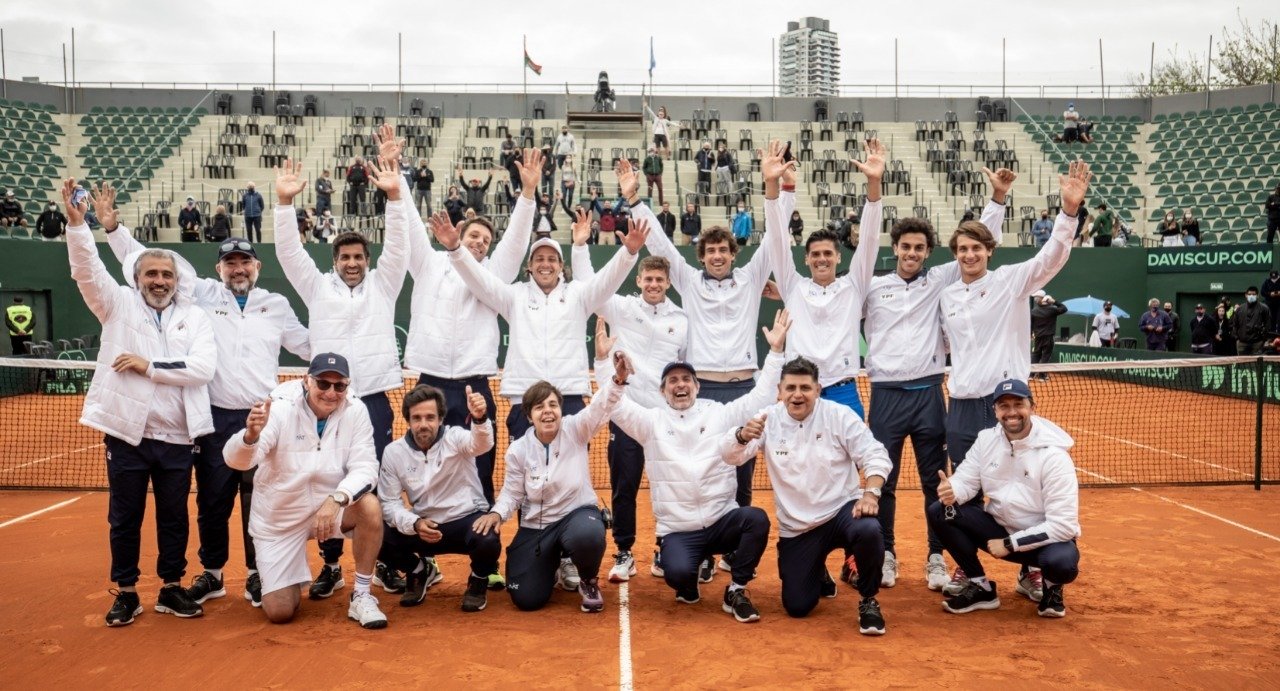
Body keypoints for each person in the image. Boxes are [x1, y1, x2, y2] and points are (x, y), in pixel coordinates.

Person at [104, 185, 311, 609]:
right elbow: (147, 260)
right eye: (230, 262)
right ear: (218, 269)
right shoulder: (200, 295)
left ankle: (258, 575)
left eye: (245, 262)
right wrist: (113, 229)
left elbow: (308, 346)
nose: (238, 268)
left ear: (257, 266)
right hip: (214, 421)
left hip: (262, 419)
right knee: (213, 502)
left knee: (260, 501)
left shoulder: (276, 304)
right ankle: (214, 575)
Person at [62, 179, 217, 627]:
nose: (159, 280)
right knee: (124, 517)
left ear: (177, 280)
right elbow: (87, 272)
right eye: (151, 273)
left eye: (166, 275)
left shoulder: (195, 317)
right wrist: (79, 228)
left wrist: (148, 365)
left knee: (174, 517)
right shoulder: (117, 305)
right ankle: (126, 592)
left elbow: (202, 369)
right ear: (137, 278)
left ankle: (171, 587)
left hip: (176, 436)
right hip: (128, 434)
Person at [862, 164, 1016, 592]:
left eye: (919, 248)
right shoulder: (872, 287)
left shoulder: (941, 279)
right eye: (906, 246)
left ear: (929, 252)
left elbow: (980, 241)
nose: (912, 253)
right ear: (895, 247)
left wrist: (998, 198)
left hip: (931, 393)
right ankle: (887, 552)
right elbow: (831, 301)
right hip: (886, 396)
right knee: (884, 479)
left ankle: (935, 556)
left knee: (938, 482)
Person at [937, 159, 1088, 594]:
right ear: (955, 255)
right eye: (962, 250)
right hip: (962, 405)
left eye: (977, 249)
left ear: (990, 251)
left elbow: (1052, 257)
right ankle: (971, 570)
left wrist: (1069, 212)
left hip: (1005, 404)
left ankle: (1033, 568)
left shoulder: (1011, 281)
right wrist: (995, 201)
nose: (969, 255)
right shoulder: (946, 295)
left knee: (1024, 486)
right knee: (963, 490)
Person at [397, 139, 538, 593]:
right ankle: (423, 562)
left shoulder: (494, 275)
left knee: (479, 472)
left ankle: (484, 561)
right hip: (430, 386)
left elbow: (516, 241)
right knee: (422, 471)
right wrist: (396, 175)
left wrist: (528, 195)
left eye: (485, 240)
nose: (480, 243)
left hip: (476, 384)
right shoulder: (428, 263)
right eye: (474, 236)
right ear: (458, 234)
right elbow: (411, 230)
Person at [274, 142, 410, 598]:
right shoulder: (316, 288)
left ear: (367, 262)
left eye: (358, 257)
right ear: (335, 261)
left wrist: (395, 197)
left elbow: (400, 246)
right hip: (327, 398)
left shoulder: (385, 284)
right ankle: (331, 565)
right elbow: (290, 253)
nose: (352, 263)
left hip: (372, 398)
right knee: (327, 480)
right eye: (345, 257)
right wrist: (285, 204)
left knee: (374, 482)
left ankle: (381, 562)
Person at [600, 311, 791, 622]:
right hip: (679, 529)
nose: (680, 385)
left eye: (686, 379)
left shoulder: (720, 413)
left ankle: (737, 588)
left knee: (755, 519)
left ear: (697, 387)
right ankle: (685, 575)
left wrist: (776, 352)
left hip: (721, 520)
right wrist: (608, 369)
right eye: (673, 381)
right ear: (662, 392)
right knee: (678, 576)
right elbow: (613, 405)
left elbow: (761, 394)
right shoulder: (651, 421)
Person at [627, 156, 777, 521]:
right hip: (704, 390)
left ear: (732, 253)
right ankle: (708, 542)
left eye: (723, 250)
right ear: (703, 256)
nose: (717, 256)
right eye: (710, 251)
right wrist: (634, 200)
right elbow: (660, 245)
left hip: (745, 388)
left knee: (743, 469)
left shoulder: (751, 278)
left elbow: (774, 237)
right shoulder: (689, 281)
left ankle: (736, 541)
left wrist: (777, 188)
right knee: (709, 467)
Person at [432, 195, 646, 446]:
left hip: (569, 396)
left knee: (570, 475)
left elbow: (608, 280)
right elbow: (479, 279)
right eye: (539, 259)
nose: (546, 264)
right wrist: (456, 250)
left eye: (551, 259)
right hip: (524, 397)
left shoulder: (579, 294)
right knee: (522, 475)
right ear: (530, 266)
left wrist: (629, 252)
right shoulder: (513, 295)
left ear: (560, 265)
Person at [724, 356, 892, 635]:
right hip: (798, 527)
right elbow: (731, 457)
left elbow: (875, 455)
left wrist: (871, 495)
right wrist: (740, 436)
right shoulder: (767, 419)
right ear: (780, 390)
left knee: (869, 528)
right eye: (790, 388)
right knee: (798, 606)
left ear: (817, 389)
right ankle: (817, 569)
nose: (797, 395)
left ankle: (868, 600)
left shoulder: (839, 415)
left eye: (805, 387)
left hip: (841, 512)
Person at [224, 353, 388, 629]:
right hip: (280, 517)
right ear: (306, 381)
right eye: (323, 383)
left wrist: (338, 498)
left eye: (339, 386)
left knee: (369, 506)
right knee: (280, 611)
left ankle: (361, 594)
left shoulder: (356, 410)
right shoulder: (279, 409)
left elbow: (367, 467)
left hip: (329, 508)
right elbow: (238, 461)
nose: (331, 392)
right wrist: (249, 437)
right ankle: (287, 572)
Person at [471, 351, 633, 613]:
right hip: (538, 527)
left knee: (588, 535)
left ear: (560, 409)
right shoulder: (519, 450)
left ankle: (588, 580)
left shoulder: (576, 429)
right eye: (539, 407)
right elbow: (512, 494)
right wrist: (497, 513)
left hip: (577, 516)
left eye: (553, 405)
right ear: (529, 415)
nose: (547, 412)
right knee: (526, 600)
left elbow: (600, 406)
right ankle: (551, 564)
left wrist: (617, 380)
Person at [575, 254, 687, 583]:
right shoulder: (622, 308)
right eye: (648, 279)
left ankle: (667, 547)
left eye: (659, 280)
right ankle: (624, 552)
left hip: (664, 418)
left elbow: (683, 370)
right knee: (624, 487)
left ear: (668, 283)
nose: (653, 285)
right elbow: (590, 285)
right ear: (638, 281)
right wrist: (581, 247)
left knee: (670, 486)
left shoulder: (682, 319)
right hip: (625, 413)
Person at [929, 379, 1081, 618]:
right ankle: (981, 585)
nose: (1012, 412)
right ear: (995, 411)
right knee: (939, 510)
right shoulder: (986, 440)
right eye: (1004, 406)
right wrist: (953, 490)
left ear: (1032, 406)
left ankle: (1052, 588)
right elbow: (966, 480)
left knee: (1062, 562)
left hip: (1040, 542)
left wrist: (1011, 544)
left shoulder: (1054, 457)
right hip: (998, 528)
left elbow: (1063, 526)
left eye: (1018, 404)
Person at [377, 384, 498, 612]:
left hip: (465, 520)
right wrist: (414, 523)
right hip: (425, 526)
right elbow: (389, 503)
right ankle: (418, 571)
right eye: (417, 418)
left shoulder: (456, 438)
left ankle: (478, 579)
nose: (423, 424)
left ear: (441, 418)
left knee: (488, 537)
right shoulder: (394, 452)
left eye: (430, 417)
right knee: (375, 534)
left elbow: (482, 444)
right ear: (408, 420)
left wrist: (480, 419)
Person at [1030, 293, 1067, 380]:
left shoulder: (1034, 311)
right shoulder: (1052, 309)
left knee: (1036, 355)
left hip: (1038, 337)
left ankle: (1031, 375)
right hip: (1048, 337)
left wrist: (1030, 333)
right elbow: (1064, 308)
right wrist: (1054, 302)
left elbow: (1030, 324)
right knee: (1045, 356)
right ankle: (1042, 376)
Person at [1232, 286, 1272, 355]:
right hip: (1242, 343)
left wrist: (1263, 340)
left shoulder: (1264, 308)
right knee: (1242, 364)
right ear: (1246, 295)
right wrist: (1237, 338)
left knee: (1256, 365)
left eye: (1253, 294)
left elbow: (1267, 325)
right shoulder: (1240, 309)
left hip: (1257, 343)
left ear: (1257, 296)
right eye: (1249, 294)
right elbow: (1235, 324)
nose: (1251, 296)